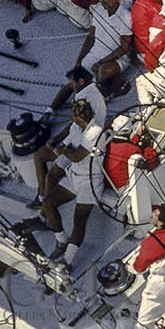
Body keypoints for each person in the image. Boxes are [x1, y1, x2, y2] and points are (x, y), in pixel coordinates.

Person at [39, 98, 107, 266]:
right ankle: (61, 240)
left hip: (90, 181)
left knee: (79, 219)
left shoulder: (96, 132)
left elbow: (76, 156)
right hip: (75, 176)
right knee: (48, 202)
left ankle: (67, 261)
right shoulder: (77, 127)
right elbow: (67, 147)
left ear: (78, 117)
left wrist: (63, 150)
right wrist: (60, 147)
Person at [73, 0, 134, 99]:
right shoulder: (99, 10)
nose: (102, 3)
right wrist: (79, 59)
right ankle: (51, 109)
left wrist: (101, 62)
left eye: (106, 1)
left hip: (118, 58)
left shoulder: (125, 16)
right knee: (77, 79)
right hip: (97, 53)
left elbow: (124, 48)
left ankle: (104, 94)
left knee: (102, 71)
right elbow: (90, 37)